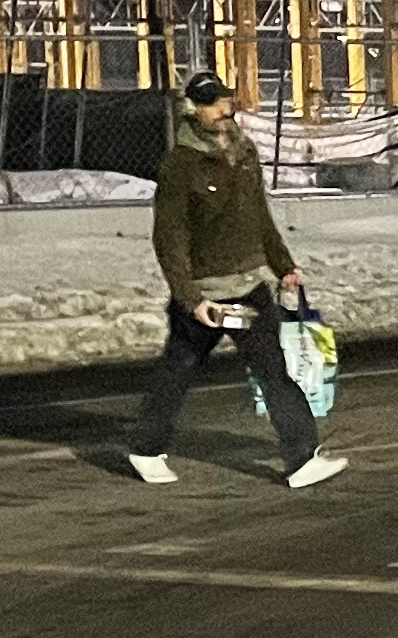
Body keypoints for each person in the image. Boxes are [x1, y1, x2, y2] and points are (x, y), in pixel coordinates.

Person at [130, 75, 346, 486]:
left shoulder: (244, 153)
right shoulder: (180, 166)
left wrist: (284, 265)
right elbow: (169, 238)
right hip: (207, 295)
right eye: (212, 104)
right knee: (179, 370)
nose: (223, 110)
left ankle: (301, 460)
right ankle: (145, 449)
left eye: (225, 100)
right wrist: (190, 298)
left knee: (274, 371)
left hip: (248, 289)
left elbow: (260, 217)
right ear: (193, 109)